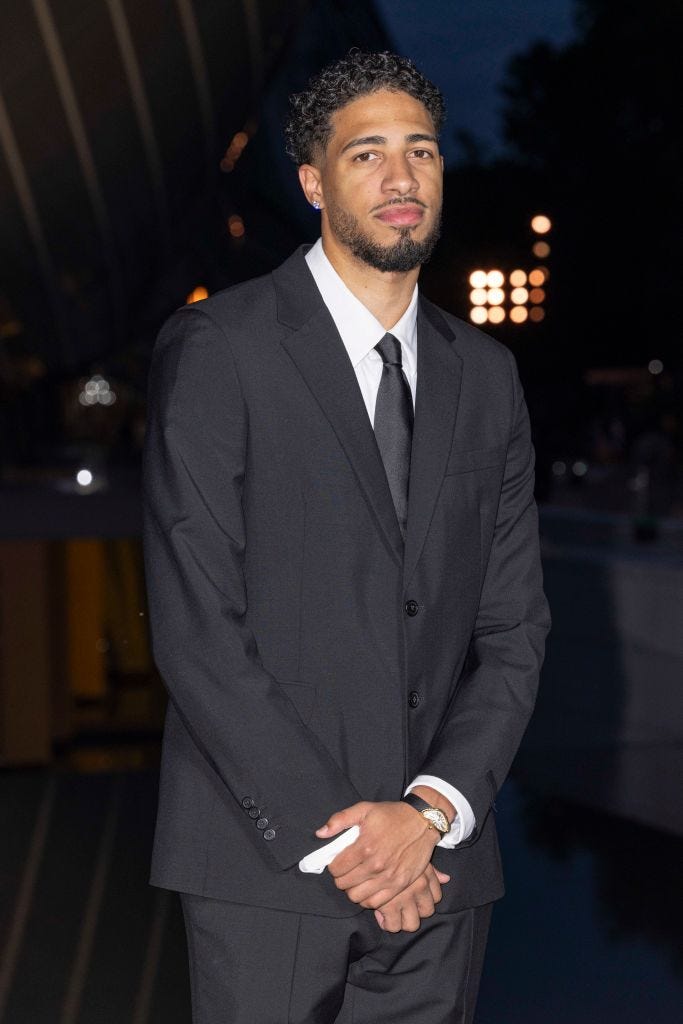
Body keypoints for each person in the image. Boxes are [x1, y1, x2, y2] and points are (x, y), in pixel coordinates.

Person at [143, 49, 550, 1024]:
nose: (401, 178)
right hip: (265, 866)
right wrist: (358, 845)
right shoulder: (218, 349)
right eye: (366, 155)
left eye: (420, 151)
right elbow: (198, 629)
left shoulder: (485, 376)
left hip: (439, 872)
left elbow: (511, 629)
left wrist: (430, 811)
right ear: (312, 183)